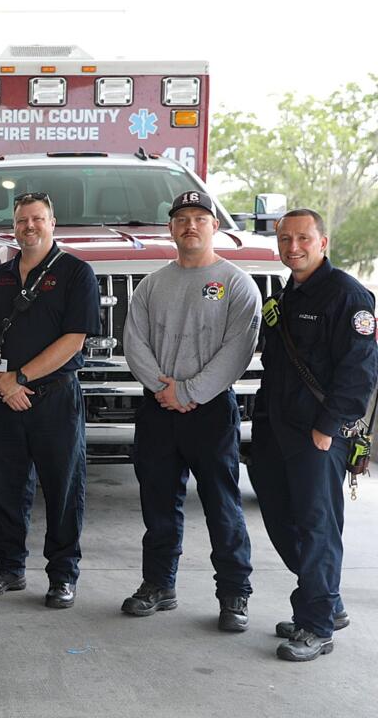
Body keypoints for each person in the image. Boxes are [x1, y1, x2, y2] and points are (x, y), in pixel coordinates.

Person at [120, 190, 260, 632]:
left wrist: (192, 391)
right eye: (182, 219)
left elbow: (238, 349)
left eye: (200, 218)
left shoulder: (237, 283)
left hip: (211, 410)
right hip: (159, 409)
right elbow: (134, 342)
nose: (191, 226)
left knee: (222, 505)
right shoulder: (152, 284)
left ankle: (234, 593)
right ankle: (159, 584)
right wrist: (165, 390)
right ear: (172, 228)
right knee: (158, 503)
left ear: (214, 227)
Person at [250, 208, 377, 662]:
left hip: (317, 433)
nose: (293, 247)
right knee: (281, 518)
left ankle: (318, 625)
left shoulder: (347, 295)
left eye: (303, 238)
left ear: (323, 242)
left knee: (317, 525)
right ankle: (325, 599)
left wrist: (328, 429)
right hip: (275, 429)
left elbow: (360, 372)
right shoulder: (288, 292)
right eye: (285, 239)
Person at [0, 192, 100, 609]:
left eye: (38, 219)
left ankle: (63, 575)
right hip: (6, 399)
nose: (30, 226)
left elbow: (74, 339)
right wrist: (2, 382)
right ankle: (8, 568)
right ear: (14, 226)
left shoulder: (77, 274)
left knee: (63, 489)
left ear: (52, 222)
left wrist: (20, 377)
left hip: (55, 398)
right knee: (7, 488)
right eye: (22, 220)